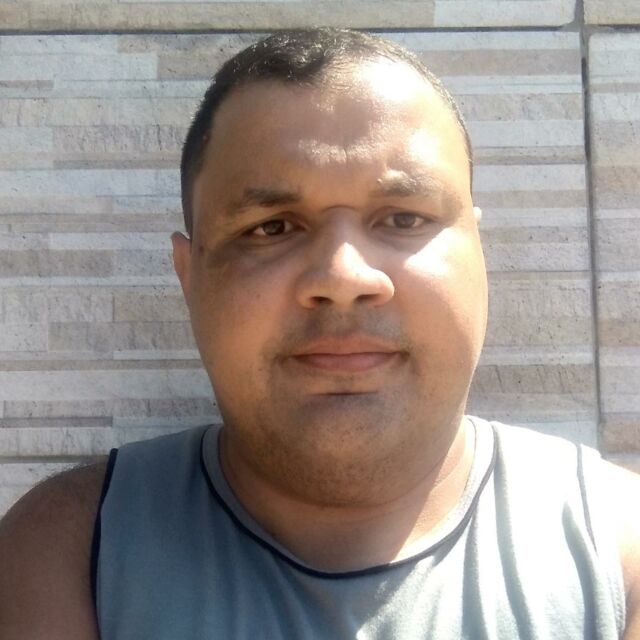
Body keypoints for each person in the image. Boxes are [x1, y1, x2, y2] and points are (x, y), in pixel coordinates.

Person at [0, 27, 639, 639]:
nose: (342, 276)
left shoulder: (622, 551)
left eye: (403, 218)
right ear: (189, 277)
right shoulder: (69, 551)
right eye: (272, 227)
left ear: (479, 251)